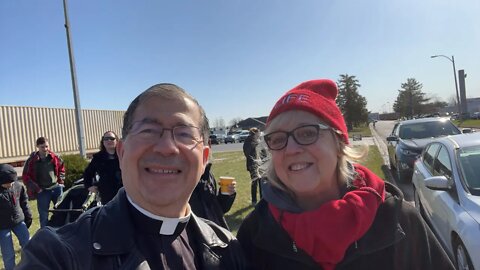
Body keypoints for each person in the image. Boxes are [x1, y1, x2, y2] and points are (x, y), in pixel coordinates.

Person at [17, 83, 246, 269]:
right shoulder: (59, 255)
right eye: (148, 131)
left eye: (184, 134)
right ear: (122, 151)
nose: (167, 147)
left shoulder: (227, 249)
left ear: (205, 158)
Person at [236, 79, 455, 270]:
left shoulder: (396, 219)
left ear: (339, 143)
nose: (291, 149)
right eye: (277, 139)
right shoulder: (254, 234)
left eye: (307, 133)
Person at [22, 136, 65, 228]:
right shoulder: (32, 160)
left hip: (56, 188)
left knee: (62, 211)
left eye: (47, 146)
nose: (45, 149)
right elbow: (25, 177)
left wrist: (61, 182)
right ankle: (44, 235)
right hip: (42, 191)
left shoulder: (55, 157)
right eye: (42, 147)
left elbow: (62, 169)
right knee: (44, 215)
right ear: (37, 146)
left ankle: (62, 230)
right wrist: (37, 189)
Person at [0, 164, 32, 270]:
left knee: (29, 245)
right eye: (7, 183)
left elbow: (24, 202)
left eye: (12, 182)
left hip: (19, 221)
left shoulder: (18, 186)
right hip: (2, 227)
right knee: (8, 253)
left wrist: (28, 216)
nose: (10, 185)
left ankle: (32, 265)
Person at [189, 162, 236, 230]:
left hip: (214, 233)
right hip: (196, 233)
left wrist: (226, 195)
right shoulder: (183, 177)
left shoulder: (208, 174)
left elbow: (218, 209)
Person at [83, 131, 122, 205]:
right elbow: (88, 173)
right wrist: (89, 186)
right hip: (107, 194)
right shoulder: (98, 158)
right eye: (106, 139)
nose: (109, 141)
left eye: (111, 138)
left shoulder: (124, 155)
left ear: (117, 141)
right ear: (103, 142)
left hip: (125, 191)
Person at [242, 127, 262, 205]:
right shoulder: (249, 141)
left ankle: (262, 199)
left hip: (260, 164)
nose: (259, 134)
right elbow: (247, 153)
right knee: (255, 182)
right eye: (258, 133)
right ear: (255, 133)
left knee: (261, 183)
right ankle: (254, 201)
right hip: (252, 165)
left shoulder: (258, 140)